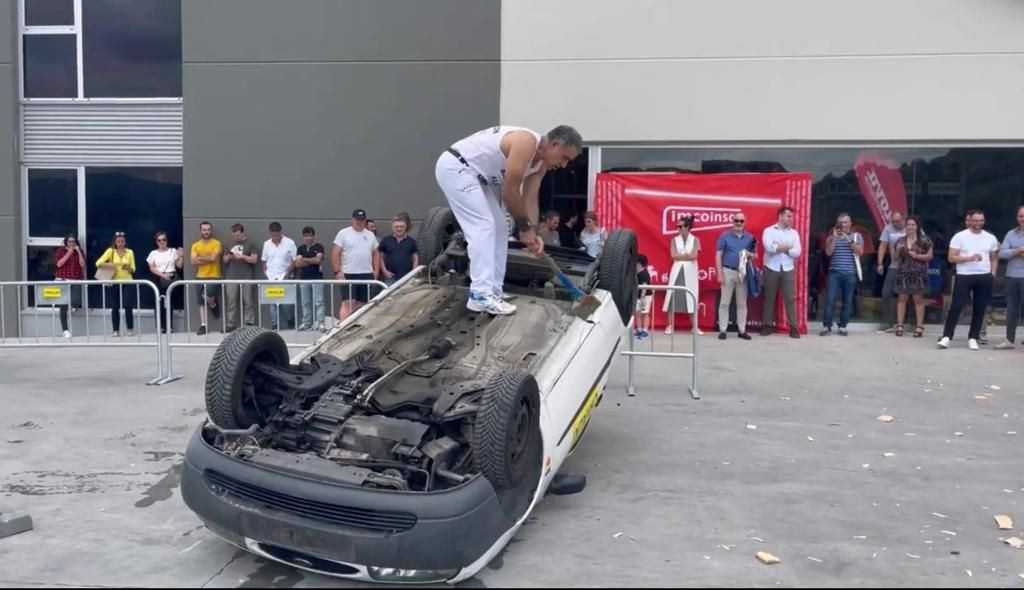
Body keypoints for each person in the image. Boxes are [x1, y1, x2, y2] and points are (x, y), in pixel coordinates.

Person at [435, 125, 583, 315]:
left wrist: (534, 232)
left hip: (481, 178)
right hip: (457, 167)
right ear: (554, 144)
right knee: (484, 226)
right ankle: (480, 295)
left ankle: (493, 291)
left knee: (500, 227)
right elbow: (510, 192)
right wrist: (524, 228)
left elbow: (529, 198)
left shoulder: (540, 166)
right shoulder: (526, 143)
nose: (563, 165)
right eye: (565, 158)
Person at [938, 210, 1000, 350]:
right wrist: (968, 258)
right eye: (976, 220)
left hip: (984, 276)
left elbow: (994, 257)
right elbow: (951, 257)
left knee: (980, 308)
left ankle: (973, 337)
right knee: (956, 306)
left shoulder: (990, 238)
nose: (978, 223)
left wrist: (993, 272)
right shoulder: (959, 237)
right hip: (964, 275)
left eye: (981, 220)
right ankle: (947, 336)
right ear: (969, 221)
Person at [761, 206, 802, 338]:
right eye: (789, 216)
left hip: (788, 269)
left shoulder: (794, 233)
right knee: (769, 298)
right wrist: (787, 247)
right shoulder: (769, 231)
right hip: (771, 268)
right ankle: (767, 326)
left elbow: (797, 252)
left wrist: (780, 247)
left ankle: (794, 327)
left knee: (790, 299)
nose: (791, 219)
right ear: (780, 216)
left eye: (792, 216)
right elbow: (769, 248)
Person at [821, 213, 864, 337]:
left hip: (850, 273)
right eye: (841, 222)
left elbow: (860, 252)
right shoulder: (831, 237)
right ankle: (827, 326)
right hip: (834, 272)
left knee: (847, 301)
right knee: (830, 299)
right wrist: (834, 238)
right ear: (837, 224)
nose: (843, 225)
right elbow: (828, 253)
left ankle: (843, 326)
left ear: (850, 224)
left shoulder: (857, 236)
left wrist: (848, 238)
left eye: (846, 222)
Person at [716, 212, 757, 340]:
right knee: (724, 302)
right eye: (736, 221)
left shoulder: (750, 238)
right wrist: (719, 272)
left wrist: (749, 254)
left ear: (745, 222)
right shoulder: (725, 236)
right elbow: (718, 255)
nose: (738, 223)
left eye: (741, 221)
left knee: (742, 303)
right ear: (733, 222)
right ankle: (723, 330)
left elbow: (756, 256)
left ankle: (742, 330)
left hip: (743, 272)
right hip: (728, 270)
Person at [893, 216, 933, 338]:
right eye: (908, 224)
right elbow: (895, 258)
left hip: (919, 273)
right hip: (903, 272)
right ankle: (900, 325)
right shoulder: (900, 240)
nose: (910, 227)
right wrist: (898, 251)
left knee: (918, 299)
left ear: (917, 226)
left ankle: (919, 326)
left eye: (913, 224)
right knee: (902, 298)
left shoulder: (925, 240)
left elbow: (930, 256)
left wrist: (917, 256)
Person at [332, 209, 381, 307]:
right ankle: (345, 323)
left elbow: (376, 253)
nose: (359, 222)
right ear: (353, 219)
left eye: (362, 220)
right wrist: (337, 271)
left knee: (362, 305)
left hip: (366, 274)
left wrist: (376, 271)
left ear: (365, 220)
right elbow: (335, 252)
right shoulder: (343, 233)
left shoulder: (370, 235)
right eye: (357, 219)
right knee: (348, 304)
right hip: (348, 273)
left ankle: (357, 323)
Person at [663, 215, 701, 336]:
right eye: (677, 226)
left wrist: (682, 256)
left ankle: (694, 326)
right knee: (672, 295)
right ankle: (669, 325)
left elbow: (694, 256)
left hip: (690, 271)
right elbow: (673, 255)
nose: (678, 228)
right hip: (677, 270)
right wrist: (686, 256)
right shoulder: (674, 240)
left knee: (692, 296)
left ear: (687, 227)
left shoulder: (695, 239)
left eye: (680, 226)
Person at [95, 231, 136, 337]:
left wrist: (129, 268)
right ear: (115, 242)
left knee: (128, 305)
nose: (121, 243)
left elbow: (133, 268)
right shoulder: (111, 251)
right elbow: (98, 263)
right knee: (115, 306)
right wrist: (111, 266)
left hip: (127, 280)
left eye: (122, 241)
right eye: (118, 241)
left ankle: (130, 329)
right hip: (114, 281)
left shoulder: (129, 252)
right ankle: (115, 330)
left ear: (125, 242)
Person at [222, 223, 261, 332]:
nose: (236, 238)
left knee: (248, 301)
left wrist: (242, 256)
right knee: (231, 301)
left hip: (246, 276)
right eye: (234, 236)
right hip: (231, 276)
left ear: (243, 233)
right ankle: (230, 324)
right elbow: (224, 260)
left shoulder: (251, 243)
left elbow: (254, 260)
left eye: (238, 235)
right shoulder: (229, 243)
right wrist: (229, 257)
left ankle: (249, 323)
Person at [996, 205, 1024, 349]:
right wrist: (1017, 251)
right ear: (1017, 218)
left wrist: (1012, 252)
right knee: (1012, 309)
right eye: (1020, 216)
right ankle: (1009, 340)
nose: (1022, 219)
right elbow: (1001, 253)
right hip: (1012, 276)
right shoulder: (1010, 234)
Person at [262, 222, 298, 331]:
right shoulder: (267, 244)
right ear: (270, 233)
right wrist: (265, 273)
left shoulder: (289, 242)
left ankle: (290, 321)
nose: (275, 236)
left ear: (280, 231)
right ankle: (274, 325)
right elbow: (264, 261)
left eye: (277, 233)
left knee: (286, 302)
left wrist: (287, 273)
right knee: (272, 302)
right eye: (273, 234)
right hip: (271, 277)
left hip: (284, 276)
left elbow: (295, 260)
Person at [875, 212, 907, 333]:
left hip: (909, 267)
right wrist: (880, 262)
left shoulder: (911, 227)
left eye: (897, 221)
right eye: (893, 221)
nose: (894, 223)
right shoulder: (888, 229)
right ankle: (887, 323)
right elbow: (883, 245)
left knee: (906, 295)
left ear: (903, 219)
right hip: (894, 265)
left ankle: (905, 323)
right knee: (886, 293)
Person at [146, 231, 183, 334]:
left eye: (164, 240)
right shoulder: (153, 253)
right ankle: (160, 326)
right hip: (159, 278)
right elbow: (151, 267)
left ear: (167, 241)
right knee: (159, 303)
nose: (162, 242)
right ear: (156, 242)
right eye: (159, 240)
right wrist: (162, 275)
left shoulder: (173, 251)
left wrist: (181, 256)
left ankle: (169, 326)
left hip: (171, 277)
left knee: (169, 303)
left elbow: (179, 266)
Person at [190, 221, 223, 335]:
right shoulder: (195, 245)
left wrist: (200, 258)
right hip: (200, 276)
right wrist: (207, 258)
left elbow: (214, 258)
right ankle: (203, 325)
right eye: (204, 230)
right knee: (201, 302)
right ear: (200, 231)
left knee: (206, 295)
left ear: (211, 230)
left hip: (214, 276)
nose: (206, 232)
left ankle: (213, 304)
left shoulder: (216, 243)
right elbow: (192, 261)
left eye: (208, 229)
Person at [53, 233, 85, 338]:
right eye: (69, 241)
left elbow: (82, 265)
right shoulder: (60, 251)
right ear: (66, 242)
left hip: (75, 279)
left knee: (76, 301)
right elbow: (59, 264)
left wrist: (78, 251)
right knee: (63, 306)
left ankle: (71, 306)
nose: (71, 243)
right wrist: (68, 253)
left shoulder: (79, 251)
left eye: (73, 241)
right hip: (62, 280)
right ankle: (65, 330)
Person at [295, 226, 326, 332]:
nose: (308, 238)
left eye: (310, 235)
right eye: (306, 236)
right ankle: (307, 323)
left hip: (317, 278)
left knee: (319, 301)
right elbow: (298, 264)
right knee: (305, 302)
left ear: (314, 236)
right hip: (304, 278)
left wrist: (303, 259)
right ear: (303, 237)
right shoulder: (300, 248)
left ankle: (321, 322)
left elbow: (318, 260)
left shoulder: (319, 247)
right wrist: (311, 260)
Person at [378, 216, 419, 286]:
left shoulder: (412, 242)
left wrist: (413, 273)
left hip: (407, 278)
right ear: (392, 228)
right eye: (396, 227)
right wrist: (384, 271)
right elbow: (380, 257)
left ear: (405, 227)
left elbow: (415, 258)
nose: (399, 229)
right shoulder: (386, 240)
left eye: (401, 226)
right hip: (390, 278)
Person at [634, 254, 652, 339]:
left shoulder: (644, 273)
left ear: (639, 263)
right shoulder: (636, 273)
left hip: (645, 296)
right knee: (638, 313)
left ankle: (645, 331)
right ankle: (639, 329)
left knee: (645, 313)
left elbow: (644, 285)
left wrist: (642, 297)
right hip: (638, 296)